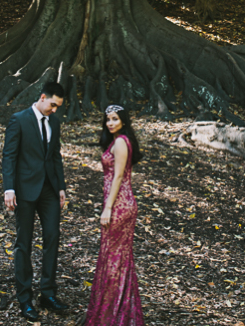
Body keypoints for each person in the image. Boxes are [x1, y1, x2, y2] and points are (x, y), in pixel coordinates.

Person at [2, 81, 69, 323]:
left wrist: (61, 187)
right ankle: (25, 299)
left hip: (50, 190)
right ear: (42, 97)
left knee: (52, 237)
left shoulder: (55, 122)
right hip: (25, 191)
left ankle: (48, 294)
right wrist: (9, 188)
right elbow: (9, 156)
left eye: (58, 107)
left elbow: (56, 156)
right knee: (24, 243)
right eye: (52, 105)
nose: (54, 110)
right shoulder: (19, 120)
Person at [84, 104, 145, 326]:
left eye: (115, 119)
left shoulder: (120, 143)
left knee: (114, 260)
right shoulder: (117, 140)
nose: (110, 123)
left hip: (120, 205)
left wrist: (108, 208)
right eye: (108, 119)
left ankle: (112, 316)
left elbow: (118, 177)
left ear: (124, 121)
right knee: (117, 259)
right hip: (121, 203)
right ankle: (118, 314)